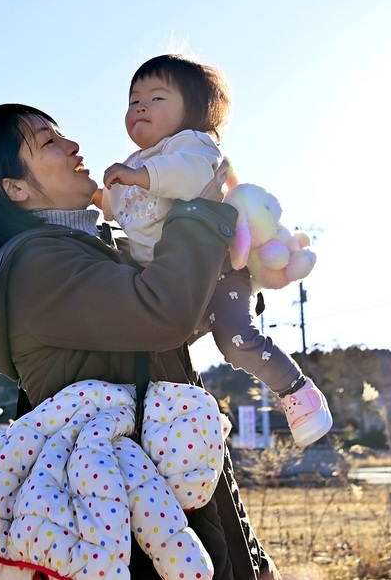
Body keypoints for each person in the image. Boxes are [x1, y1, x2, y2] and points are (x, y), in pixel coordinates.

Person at [0, 103, 279, 580]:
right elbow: (164, 310)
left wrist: (240, 273)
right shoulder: (38, 269)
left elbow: (182, 324)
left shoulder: (99, 252)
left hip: (182, 495)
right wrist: (198, 209)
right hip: (130, 522)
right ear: (15, 188)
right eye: (48, 143)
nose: (72, 146)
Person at [96, 54, 332, 448]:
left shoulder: (193, 146)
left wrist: (138, 176)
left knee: (235, 339)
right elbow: (122, 207)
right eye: (133, 99)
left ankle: (297, 391)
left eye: (156, 98)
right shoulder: (136, 163)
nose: (139, 106)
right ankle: (181, 419)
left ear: (194, 111)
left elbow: (187, 176)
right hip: (174, 282)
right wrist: (95, 197)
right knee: (158, 349)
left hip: (218, 271)